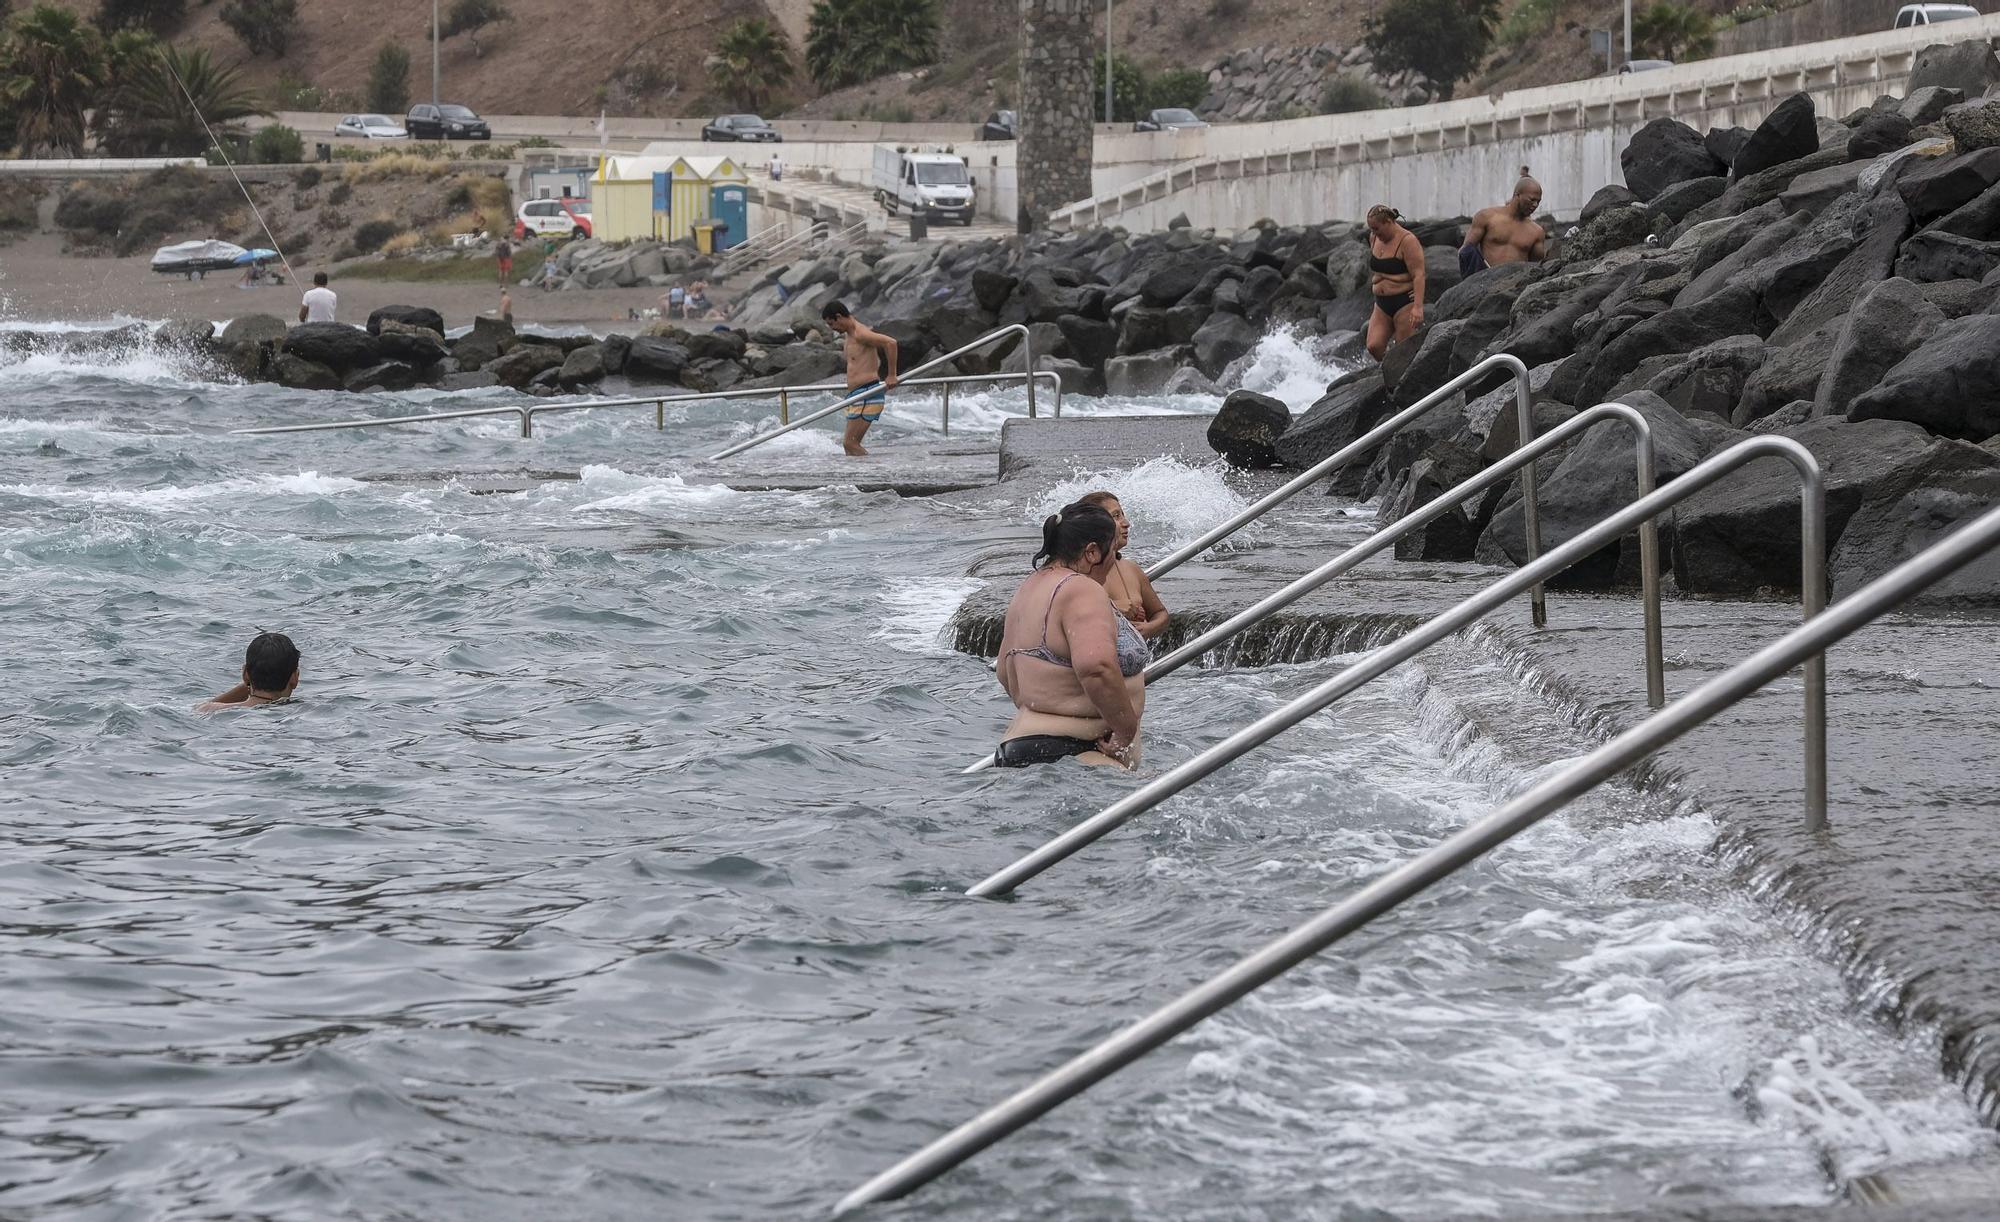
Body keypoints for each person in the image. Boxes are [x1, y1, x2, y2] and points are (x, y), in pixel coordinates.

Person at [991, 502, 1146, 769]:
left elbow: (1005, 672)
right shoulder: (1081, 589)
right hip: (1068, 752)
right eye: (1113, 553)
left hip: (1024, 745)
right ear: (1092, 552)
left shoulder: (1028, 589)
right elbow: (1096, 667)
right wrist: (1124, 731)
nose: (1114, 563)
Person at [1077, 490, 1169, 640]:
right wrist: (1112, 609)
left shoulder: (1131, 568)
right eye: (1116, 516)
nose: (1126, 523)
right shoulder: (1077, 571)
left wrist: (1150, 628)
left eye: (1123, 515)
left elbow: (1160, 614)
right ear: (1096, 525)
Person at [821, 299, 898, 456]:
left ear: (839, 317)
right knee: (849, 447)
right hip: (858, 395)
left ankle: (875, 473)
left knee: (850, 443)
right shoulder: (850, 335)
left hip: (868, 394)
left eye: (831, 324)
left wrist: (891, 374)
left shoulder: (860, 333)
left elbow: (890, 343)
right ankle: (857, 477)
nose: (833, 329)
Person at [1460, 167, 1548, 276]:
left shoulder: (1537, 232)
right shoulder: (1486, 217)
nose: (1535, 205)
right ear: (1517, 195)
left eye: (1538, 201)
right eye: (1532, 199)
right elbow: (1466, 252)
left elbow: (1538, 267)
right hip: (1483, 282)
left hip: (1514, 287)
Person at [1364, 204, 1424, 362]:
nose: (1374, 233)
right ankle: (1387, 368)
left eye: (1377, 228)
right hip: (1382, 304)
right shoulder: (1374, 237)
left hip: (1403, 302)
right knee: (1373, 346)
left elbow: (1419, 274)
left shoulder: (1407, 241)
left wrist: (1417, 307)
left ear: (1388, 222)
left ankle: (1398, 378)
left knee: (1402, 353)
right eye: (1371, 229)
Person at [197, 632, 300, 712]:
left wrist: (250, 680)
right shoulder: (301, 711)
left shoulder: (209, 709)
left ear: (245, 674)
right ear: (295, 678)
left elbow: (200, 708)